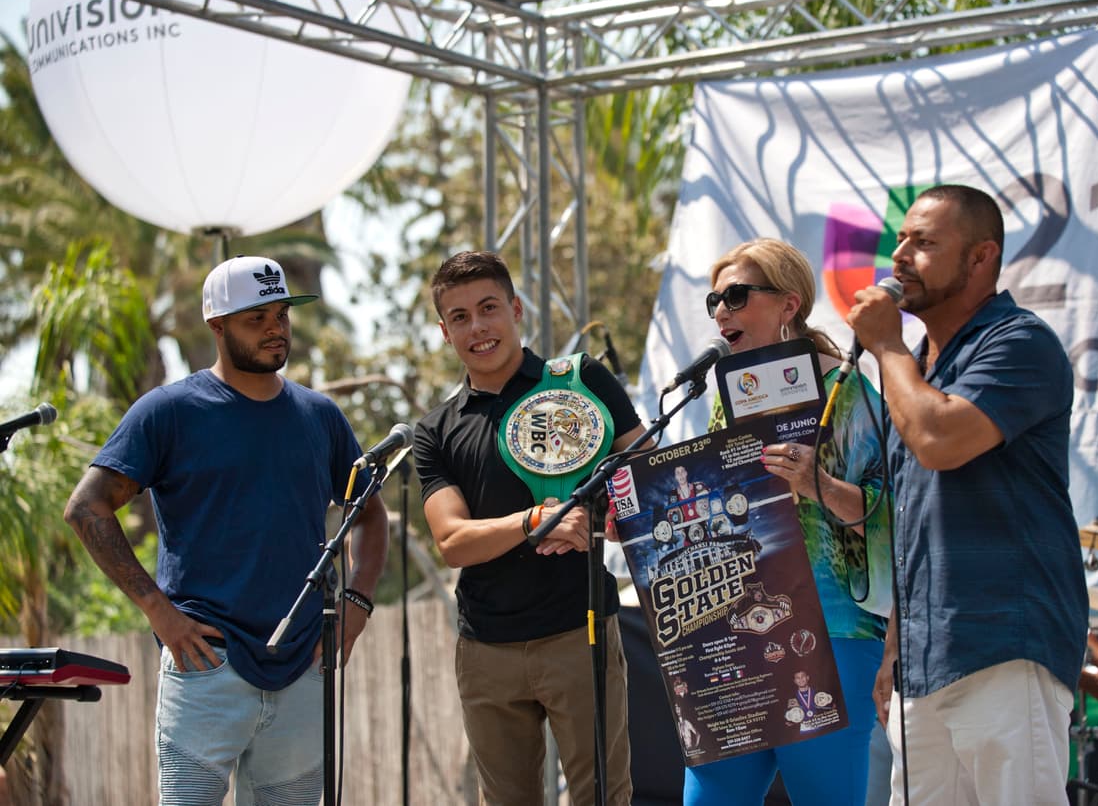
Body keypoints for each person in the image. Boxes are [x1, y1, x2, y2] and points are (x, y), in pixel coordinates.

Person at [63, 255, 389, 805]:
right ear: (217, 326)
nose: (275, 328)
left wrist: (356, 602)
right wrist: (159, 613)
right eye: (255, 317)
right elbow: (87, 508)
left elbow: (371, 513)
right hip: (205, 666)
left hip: (302, 670)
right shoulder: (168, 411)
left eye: (282, 314)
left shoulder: (320, 415)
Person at [846, 184, 1089, 805]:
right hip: (924, 659)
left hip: (1003, 644)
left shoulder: (1019, 342)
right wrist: (896, 645)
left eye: (924, 243)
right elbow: (912, 521)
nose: (899, 256)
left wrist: (888, 347)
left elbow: (939, 439)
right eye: (900, 239)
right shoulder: (918, 369)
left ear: (982, 258)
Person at [412, 250, 649, 806]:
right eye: (461, 317)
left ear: (516, 309)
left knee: (603, 799)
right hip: (485, 650)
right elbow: (452, 542)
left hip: (580, 632)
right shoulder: (435, 431)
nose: (478, 327)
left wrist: (608, 518)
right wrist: (535, 522)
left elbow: (648, 474)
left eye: (489, 307)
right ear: (445, 333)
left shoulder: (582, 380)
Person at [684, 238, 892, 806]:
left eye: (736, 295)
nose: (721, 311)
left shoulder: (846, 391)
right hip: (735, 634)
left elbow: (892, 521)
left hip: (832, 634)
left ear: (789, 304)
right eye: (714, 301)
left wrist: (816, 485)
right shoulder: (727, 397)